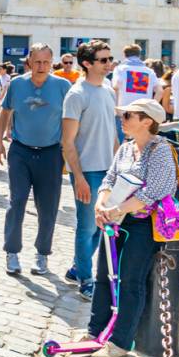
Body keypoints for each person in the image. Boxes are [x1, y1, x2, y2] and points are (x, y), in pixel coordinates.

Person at [89, 99, 178, 357]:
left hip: (143, 224)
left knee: (130, 281)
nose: (122, 119)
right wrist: (100, 204)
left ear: (147, 121)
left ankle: (120, 342)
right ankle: (95, 331)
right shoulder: (126, 148)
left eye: (128, 115)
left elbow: (155, 191)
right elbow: (109, 178)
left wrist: (118, 210)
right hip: (116, 218)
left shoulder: (160, 150)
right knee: (104, 275)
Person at [0, 43, 71, 276]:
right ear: (29, 61)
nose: (41, 67)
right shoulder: (17, 84)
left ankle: (42, 254)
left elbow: (71, 120)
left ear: (52, 63)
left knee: (47, 207)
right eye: (37, 62)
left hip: (50, 153)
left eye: (46, 62)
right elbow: (4, 112)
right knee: (16, 201)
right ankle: (12, 251)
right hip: (21, 151)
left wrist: (69, 151)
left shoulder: (62, 86)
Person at [61, 41, 118, 301]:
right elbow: (68, 142)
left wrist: (120, 167)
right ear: (87, 63)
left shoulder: (107, 90)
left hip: (108, 171)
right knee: (86, 228)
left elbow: (113, 133)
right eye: (103, 60)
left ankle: (76, 268)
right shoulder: (77, 94)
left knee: (99, 226)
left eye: (110, 59)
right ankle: (85, 278)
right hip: (88, 171)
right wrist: (79, 178)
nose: (109, 64)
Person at [112, 44, 162, 109]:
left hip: (124, 110)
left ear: (124, 55)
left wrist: (116, 107)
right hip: (143, 112)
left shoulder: (120, 69)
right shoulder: (149, 71)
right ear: (139, 55)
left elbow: (115, 87)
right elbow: (160, 91)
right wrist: (151, 108)